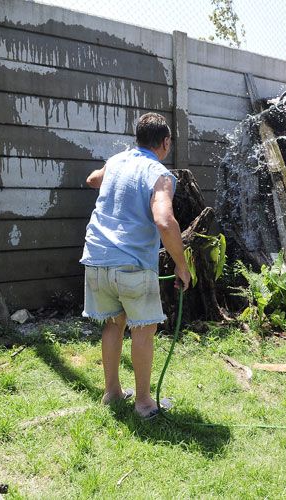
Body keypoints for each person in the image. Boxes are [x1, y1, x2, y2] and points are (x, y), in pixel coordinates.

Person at [80, 112, 191, 419]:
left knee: (113, 323)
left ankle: (112, 393)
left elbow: (92, 179)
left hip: (97, 258)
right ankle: (144, 403)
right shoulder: (159, 174)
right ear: (165, 142)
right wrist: (182, 266)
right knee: (143, 329)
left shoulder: (117, 161)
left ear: (138, 139)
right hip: (131, 264)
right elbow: (164, 220)